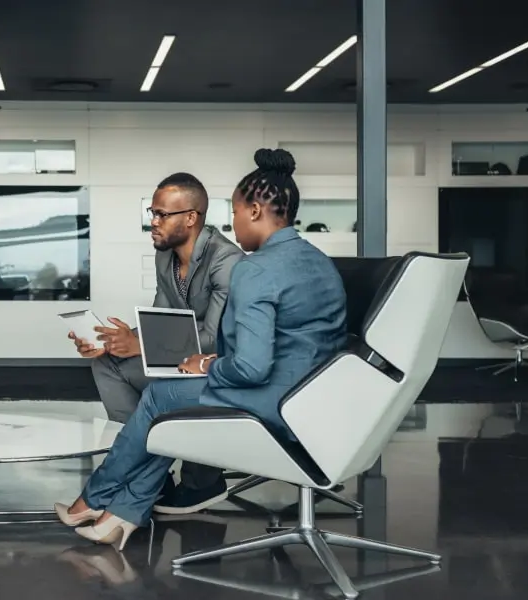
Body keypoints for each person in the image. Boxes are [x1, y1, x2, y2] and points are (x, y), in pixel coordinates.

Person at [55, 149, 348, 550]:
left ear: (257, 211)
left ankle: (97, 496)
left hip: (273, 397)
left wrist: (208, 364)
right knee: (163, 398)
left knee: (163, 397)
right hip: (314, 394)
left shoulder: (252, 268)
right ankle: (123, 512)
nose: (233, 221)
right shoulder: (318, 261)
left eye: (238, 211)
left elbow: (250, 367)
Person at [68, 172, 243, 514]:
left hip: (220, 367)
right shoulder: (166, 257)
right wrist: (114, 342)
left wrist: (142, 345)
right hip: (181, 360)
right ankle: (146, 470)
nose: (154, 223)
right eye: (153, 213)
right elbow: (161, 321)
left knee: (161, 385)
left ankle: (203, 481)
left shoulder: (226, 261)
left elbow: (216, 338)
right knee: (107, 364)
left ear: (191, 218)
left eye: (163, 214)